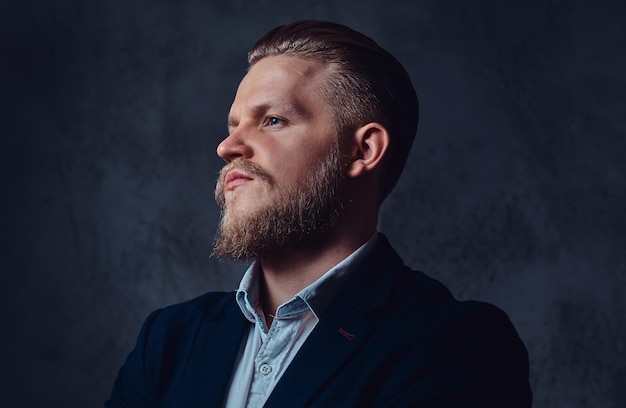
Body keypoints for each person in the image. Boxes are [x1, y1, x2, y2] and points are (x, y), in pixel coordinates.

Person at [106, 20, 532, 407]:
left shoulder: (454, 346)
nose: (228, 147)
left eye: (271, 120)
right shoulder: (169, 339)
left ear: (363, 150)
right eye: (233, 124)